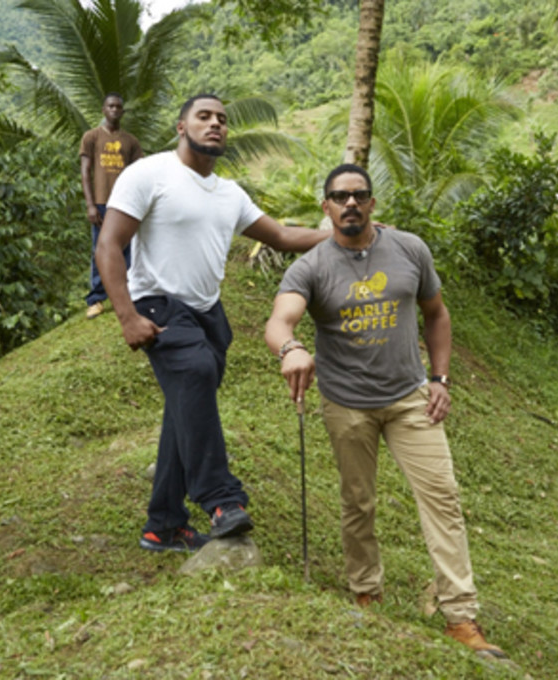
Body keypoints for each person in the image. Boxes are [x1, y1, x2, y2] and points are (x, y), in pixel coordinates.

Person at [263, 164, 507, 659]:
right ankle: (366, 592)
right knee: (359, 503)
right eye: (339, 196)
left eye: (359, 195)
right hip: (346, 404)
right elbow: (279, 319)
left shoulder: (409, 249)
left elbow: (436, 313)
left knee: (443, 497)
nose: (350, 203)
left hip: (408, 400)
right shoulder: (310, 266)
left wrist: (440, 379)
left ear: (372, 203)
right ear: (325, 206)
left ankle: (460, 617)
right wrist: (290, 348)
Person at [95, 94, 331, 553]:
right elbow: (109, 244)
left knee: (185, 409)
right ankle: (221, 500)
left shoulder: (229, 193)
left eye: (222, 119)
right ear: (181, 127)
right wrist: (126, 316)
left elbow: (282, 236)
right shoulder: (149, 174)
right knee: (198, 373)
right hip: (159, 305)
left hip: (208, 314)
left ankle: (162, 526)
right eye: (204, 117)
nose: (215, 124)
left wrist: (343, 236)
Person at [80, 93, 143, 319]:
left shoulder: (131, 141)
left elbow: (140, 173)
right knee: (101, 249)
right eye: (110, 106)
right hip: (102, 202)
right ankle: (96, 299)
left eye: (118, 107)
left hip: (127, 203)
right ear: (103, 110)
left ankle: (127, 295)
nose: (114, 110)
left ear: (123, 112)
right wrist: (90, 204)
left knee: (128, 250)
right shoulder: (92, 137)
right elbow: (85, 172)